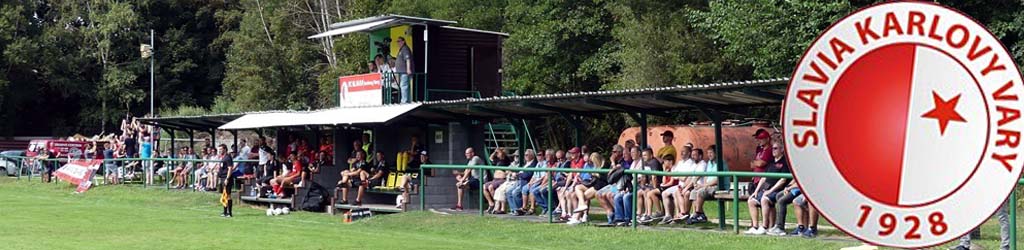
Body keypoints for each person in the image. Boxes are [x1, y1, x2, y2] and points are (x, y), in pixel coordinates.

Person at [746, 142, 790, 235]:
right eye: (773, 148)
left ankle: (765, 226)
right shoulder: (771, 162)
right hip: (766, 189)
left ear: (782, 150)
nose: (773, 151)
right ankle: (755, 226)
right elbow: (763, 177)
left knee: (764, 199)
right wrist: (756, 191)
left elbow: (783, 180)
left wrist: (770, 190)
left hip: (778, 190)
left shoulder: (785, 162)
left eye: (775, 148)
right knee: (751, 201)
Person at [567, 152, 607, 225]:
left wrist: (596, 174)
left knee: (583, 196)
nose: (591, 163)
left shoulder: (604, 166)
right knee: (578, 187)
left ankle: (576, 218)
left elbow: (605, 179)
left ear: (596, 160)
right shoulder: (593, 167)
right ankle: (579, 212)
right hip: (593, 185)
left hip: (600, 186)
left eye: (592, 161)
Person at [686, 145, 719, 225]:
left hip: (717, 186)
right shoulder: (709, 164)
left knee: (700, 191)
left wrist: (704, 186)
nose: (709, 155)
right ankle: (700, 215)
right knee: (694, 191)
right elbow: (706, 176)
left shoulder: (720, 163)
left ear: (716, 153)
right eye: (708, 153)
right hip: (708, 186)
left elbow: (717, 180)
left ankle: (697, 213)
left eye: (711, 153)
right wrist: (703, 184)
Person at [660, 145, 694, 224]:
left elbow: (685, 178)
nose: (682, 153)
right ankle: (668, 215)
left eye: (684, 151)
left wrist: (679, 176)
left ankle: (678, 215)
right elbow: (674, 175)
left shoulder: (691, 163)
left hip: (685, 185)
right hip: (679, 185)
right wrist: (680, 176)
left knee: (676, 193)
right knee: (664, 193)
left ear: (689, 153)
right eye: (681, 151)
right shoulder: (680, 162)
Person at [596, 145, 625, 224]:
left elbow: (612, 173)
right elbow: (609, 176)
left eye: (614, 152)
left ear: (619, 152)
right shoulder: (615, 162)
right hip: (613, 184)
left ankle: (618, 215)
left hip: (620, 184)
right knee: (598, 194)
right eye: (612, 152)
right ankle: (610, 213)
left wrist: (612, 162)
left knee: (609, 195)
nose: (613, 153)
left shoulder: (622, 161)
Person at [613, 146, 642, 226]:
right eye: (631, 152)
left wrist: (630, 187)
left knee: (626, 197)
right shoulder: (633, 163)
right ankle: (619, 218)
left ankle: (628, 218)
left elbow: (640, 179)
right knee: (617, 197)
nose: (632, 154)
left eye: (633, 152)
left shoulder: (641, 163)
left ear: (639, 153)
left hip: (638, 186)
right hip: (630, 186)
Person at [637, 148, 663, 223]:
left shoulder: (654, 162)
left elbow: (654, 177)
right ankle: (639, 213)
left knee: (647, 192)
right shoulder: (644, 162)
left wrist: (653, 188)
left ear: (651, 155)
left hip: (657, 184)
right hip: (649, 184)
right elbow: (643, 175)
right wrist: (643, 186)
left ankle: (649, 213)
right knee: (639, 192)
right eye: (643, 155)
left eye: (645, 155)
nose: (643, 157)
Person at [508, 149, 537, 216]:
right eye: (525, 155)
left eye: (527, 155)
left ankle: (520, 209)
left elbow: (527, 175)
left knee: (515, 192)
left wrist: (518, 174)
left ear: (531, 155)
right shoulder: (526, 163)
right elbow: (522, 173)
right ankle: (514, 209)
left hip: (526, 182)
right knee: (508, 191)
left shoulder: (533, 164)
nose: (525, 156)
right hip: (519, 181)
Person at [484, 148, 511, 213]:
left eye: (498, 153)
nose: (497, 154)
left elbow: (502, 154)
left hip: (502, 179)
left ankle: (497, 204)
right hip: (495, 179)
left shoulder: (506, 160)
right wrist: (494, 152)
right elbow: (491, 158)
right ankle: (491, 203)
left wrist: (499, 150)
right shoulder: (497, 160)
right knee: (484, 186)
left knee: (491, 187)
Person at [215, 144, 235, 217]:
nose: (219, 151)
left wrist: (227, 178)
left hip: (226, 178)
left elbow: (230, 168)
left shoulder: (228, 157)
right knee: (224, 195)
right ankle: (224, 212)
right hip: (222, 178)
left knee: (228, 195)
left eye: (221, 149)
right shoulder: (222, 157)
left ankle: (230, 213)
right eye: (219, 149)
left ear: (225, 149)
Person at [395, 36, 414, 103]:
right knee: (405, 86)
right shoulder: (401, 49)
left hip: (404, 72)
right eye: (397, 41)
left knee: (404, 86)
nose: (398, 43)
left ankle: (404, 101)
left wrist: (408, 69)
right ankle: (407, 101)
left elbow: (407, 59)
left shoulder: (405, 49)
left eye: (399, 41)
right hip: (401, 72)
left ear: (403, 41)